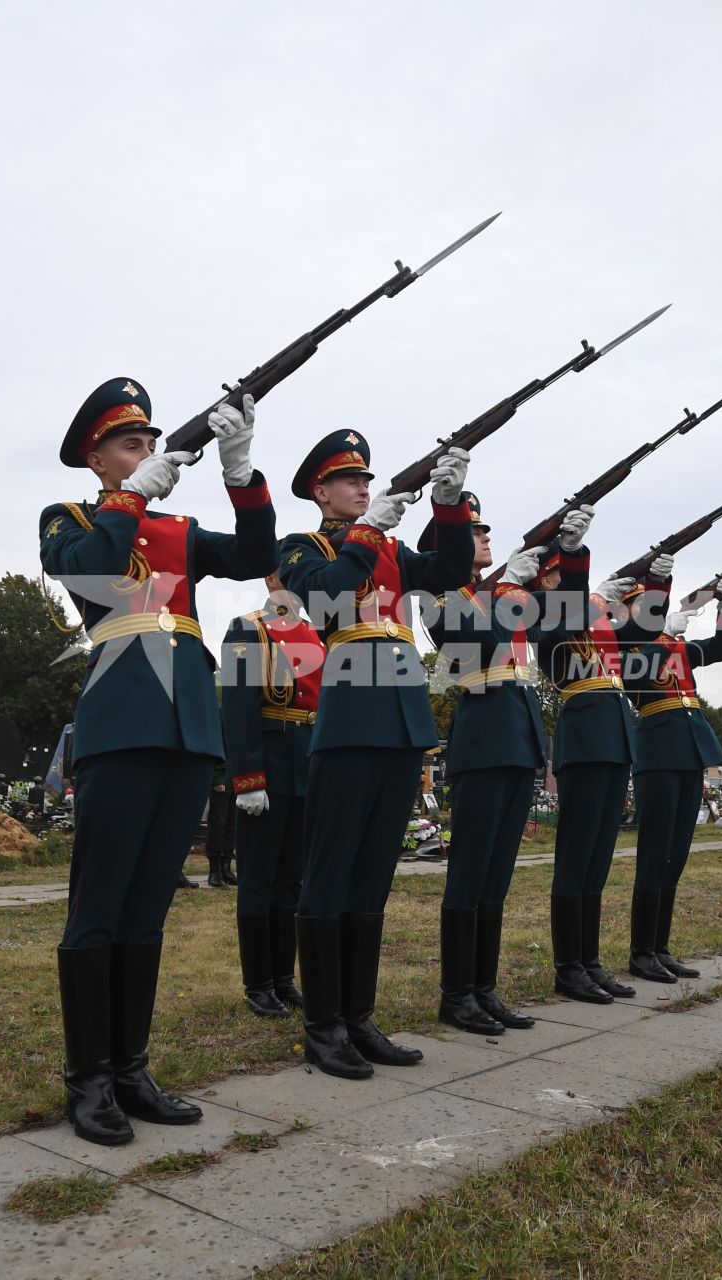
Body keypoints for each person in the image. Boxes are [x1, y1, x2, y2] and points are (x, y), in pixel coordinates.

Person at [39, 376, 276, 1147]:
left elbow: (256, 555)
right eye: (130, 445)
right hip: (122, 722)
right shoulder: (70, 519)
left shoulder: (179, 528)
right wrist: (130, 497)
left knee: (146, 911)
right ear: (97, 458)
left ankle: (132, 1068)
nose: (147, 454)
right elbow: (92, 578)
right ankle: (89, 1078)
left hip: (187, 728)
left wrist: (241, 473)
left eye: (150, 443)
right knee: (99, 907)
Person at [277, 429, 473, 1079]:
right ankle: (324, 1024)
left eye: (368, 479)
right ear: (320, 491)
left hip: (400, 717)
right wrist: (368, 534)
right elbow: (326, 596)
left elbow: (448, 572)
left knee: (371, 880)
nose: (364, 488)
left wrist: (447, 507)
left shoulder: (387, 546)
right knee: (330, 875)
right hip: (350, 714)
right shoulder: (303, 547)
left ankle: (358, 1017)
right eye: (350, 480)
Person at [422, 496, 592, 1034]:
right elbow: (477, 647)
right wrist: (502, 592)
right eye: (473, 532)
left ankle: (483, 989)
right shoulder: (440, 597)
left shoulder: (503, 595)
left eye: (485, 530)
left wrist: (572, 556)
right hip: (482, 740)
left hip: (520, 740)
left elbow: (562, 627)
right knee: (469, 873)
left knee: (496, 876)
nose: (486, 537)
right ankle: (456, 996)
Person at [533, 544, 654, 1004]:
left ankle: (589, 961)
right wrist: (594, 598)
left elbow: (643, 632)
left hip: (613, 734)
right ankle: (568, 967)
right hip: (583, 735)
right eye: (559, 575)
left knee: (598, 860)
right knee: (575, 859)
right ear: (545, 581)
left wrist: (658, 583)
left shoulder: (592, 618)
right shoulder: (543, 617)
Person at [620, 572, 722, 983]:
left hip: (690, 748)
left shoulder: (675, 645)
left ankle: (660, 947)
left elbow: (721, 649)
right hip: (658, 749)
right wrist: (665, 633)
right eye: (641, 606)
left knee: (675, 855)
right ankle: (641, 952)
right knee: (655, 853)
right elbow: (637, 678)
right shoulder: (627, 646)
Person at [219, 574, 323, 1018]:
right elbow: (238, 705)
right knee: (258, 879)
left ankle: (284, 977)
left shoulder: (317, 633)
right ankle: (258, 982)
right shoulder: (249, 627)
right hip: (270, 761)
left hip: (308, 762)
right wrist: (247, 777)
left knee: (292, 881)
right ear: (274, 579)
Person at [204, 762, 237, 888]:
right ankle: (214, 870)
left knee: (232, 824)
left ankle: (226, 868)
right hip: (223, 775)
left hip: (237, 776)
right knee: (217, 824)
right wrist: (217, 777)